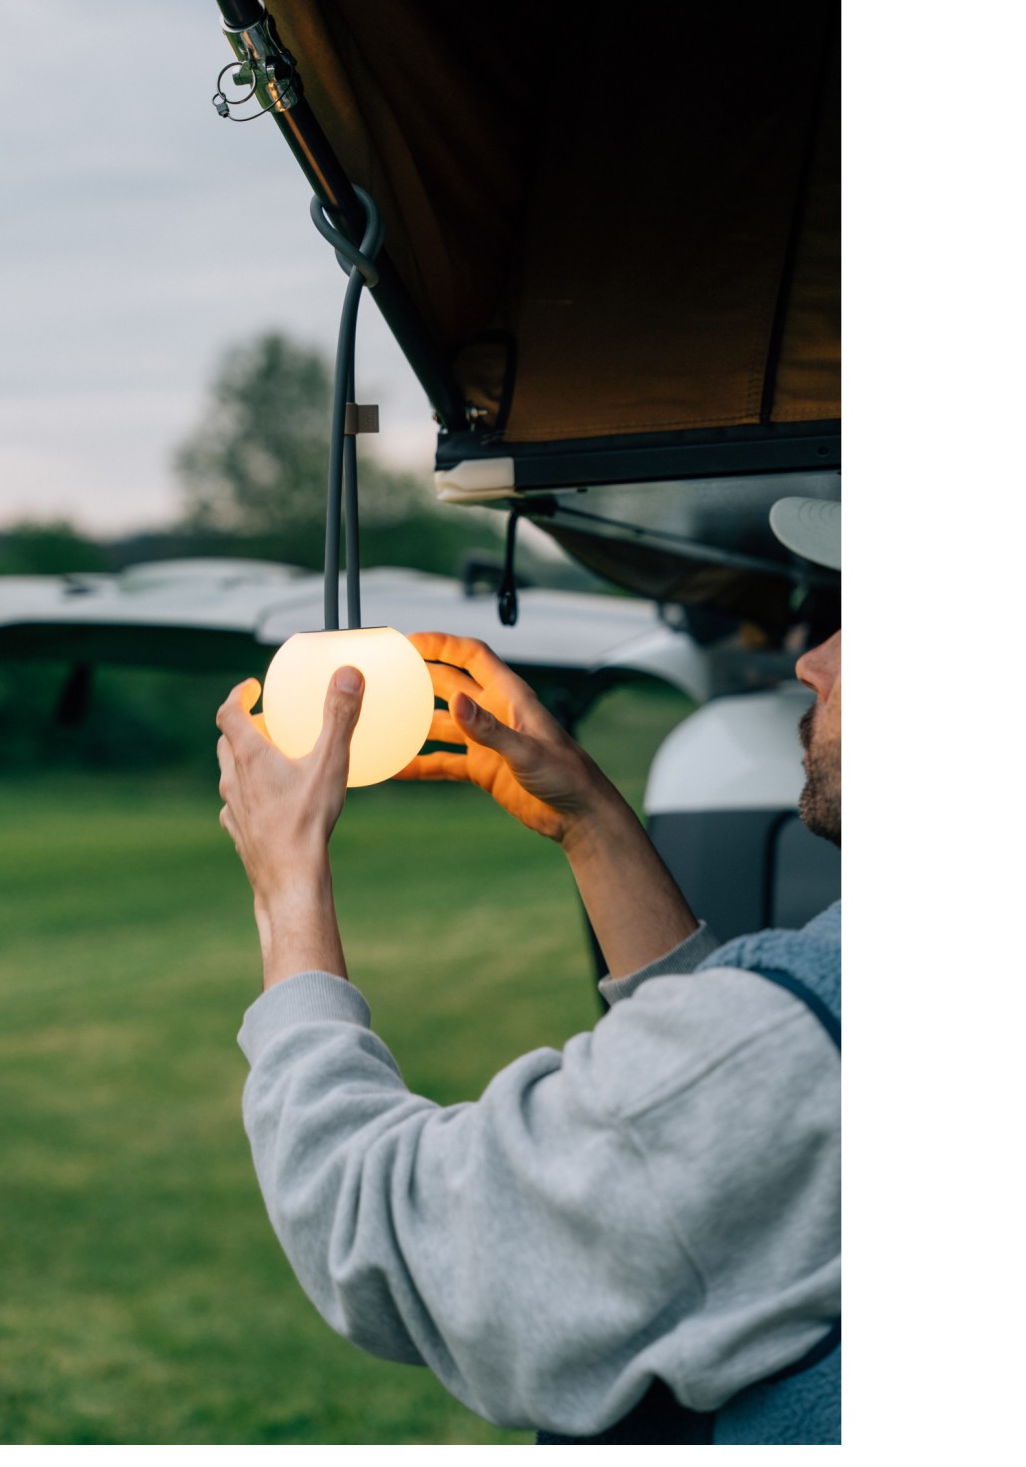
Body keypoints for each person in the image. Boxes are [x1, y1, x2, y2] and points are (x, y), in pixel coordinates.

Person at [213, 498, 841, 1444]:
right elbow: (737, 1138)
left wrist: (288, 886)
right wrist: (592, 823)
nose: (812, 660)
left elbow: (389, 1236)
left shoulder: (815, 1032)